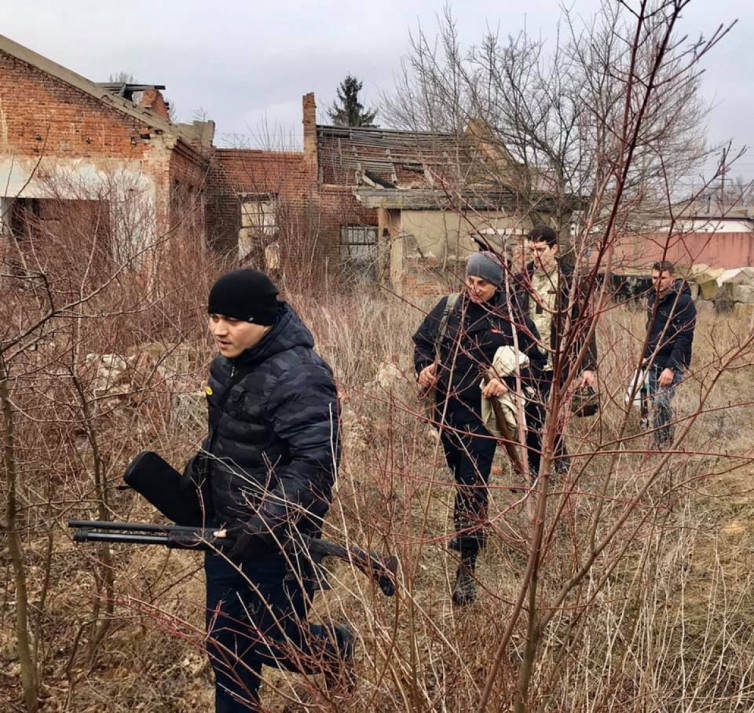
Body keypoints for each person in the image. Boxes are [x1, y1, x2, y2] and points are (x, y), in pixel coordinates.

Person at [188, 268, 349, 712]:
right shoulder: (225, 366)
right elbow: (231, 438)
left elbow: (317, 465)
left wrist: (263, 526)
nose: (219, 329)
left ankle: (334, 649)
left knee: (274, 642)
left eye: (233, 320)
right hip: (226, 531)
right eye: (214, 316)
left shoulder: (303, 377)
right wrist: (197, 475)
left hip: (281, 539)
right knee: (226, 646)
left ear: (262, 320)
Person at [412, 252, 540, 606]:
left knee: (472, 483)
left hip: (483, 416)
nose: (474, 289)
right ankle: (468, 526)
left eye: (482, 284)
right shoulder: (450, 307)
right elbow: (422, 343)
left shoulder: (512, 318)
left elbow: (538, 363)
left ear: (497, 285)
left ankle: (467, 564)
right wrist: (422, 368)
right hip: (446, 410)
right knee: (459, 476)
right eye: (470, 281)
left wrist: (507, 378)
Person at [514, 225, 597, 477]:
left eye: (541, 250)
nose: (536, 255)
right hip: (529, 361)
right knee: (532, 417)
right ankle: (539, 469)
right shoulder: (520, 280)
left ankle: (556, 464)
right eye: (532, 250)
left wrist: (588, 366)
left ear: (554, 248)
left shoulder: (570, 281)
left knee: (552, 419)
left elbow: (584, 325)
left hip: (560, 363)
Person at [643, 260, 696, 448]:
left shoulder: (683, 302)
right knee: (652, 403)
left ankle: (663, 445)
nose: (658, 282)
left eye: (663, 278)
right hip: (653, 360)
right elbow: (651, 331)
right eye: (654, 277)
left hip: (673, 361)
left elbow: (684, 338)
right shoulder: (652, 299)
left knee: (661, 401)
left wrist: (671, 368)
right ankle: (657, 441)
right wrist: (646, 356)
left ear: (672, 278)